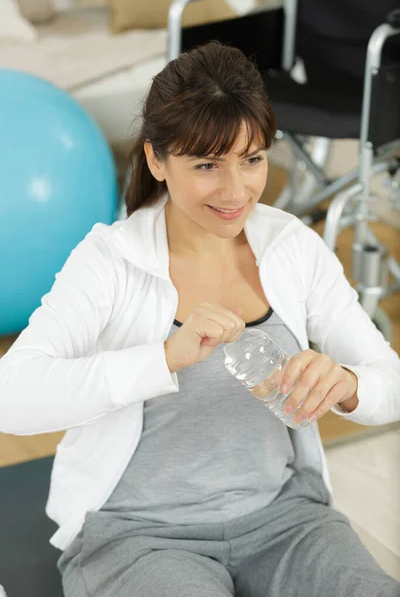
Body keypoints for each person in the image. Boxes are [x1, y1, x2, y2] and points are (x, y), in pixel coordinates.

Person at [0, 41, 399, 597]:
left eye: (252, 159)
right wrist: (164, 357)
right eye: (207, 164)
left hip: (286, 520)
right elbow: (10, 395)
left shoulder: (292, 248)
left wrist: (350, 385)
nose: (236, 191)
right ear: (157, 159)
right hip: (140, 537)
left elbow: (390, 379)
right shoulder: (108, 261)